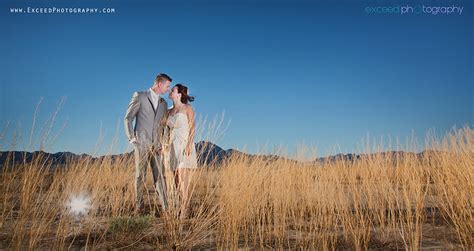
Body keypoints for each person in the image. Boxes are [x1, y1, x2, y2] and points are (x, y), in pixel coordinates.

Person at [124, 73, 172, 213]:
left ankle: (166, 208)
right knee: (140, 176)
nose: (168, 89)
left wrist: (164, 143)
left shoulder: (164, 104)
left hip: (157, 147)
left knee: (160, 177)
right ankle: (139, 207)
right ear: (159, 84)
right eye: (167, 86)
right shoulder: (139, 96)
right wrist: (132, 138)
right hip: (142, 143)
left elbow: (164, 125)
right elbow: (128, 118)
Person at [166, 83, 198, 216]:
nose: (170, 91)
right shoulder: (168, 111)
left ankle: (185, 209)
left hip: (184, 145)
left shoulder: (187, 108)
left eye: (172, 90)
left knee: (183, 176)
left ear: (179, 94)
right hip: (172, 145)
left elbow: (192, 127)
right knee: (176, 179)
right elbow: (165, 130)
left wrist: (189, 144)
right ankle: (182, 204)